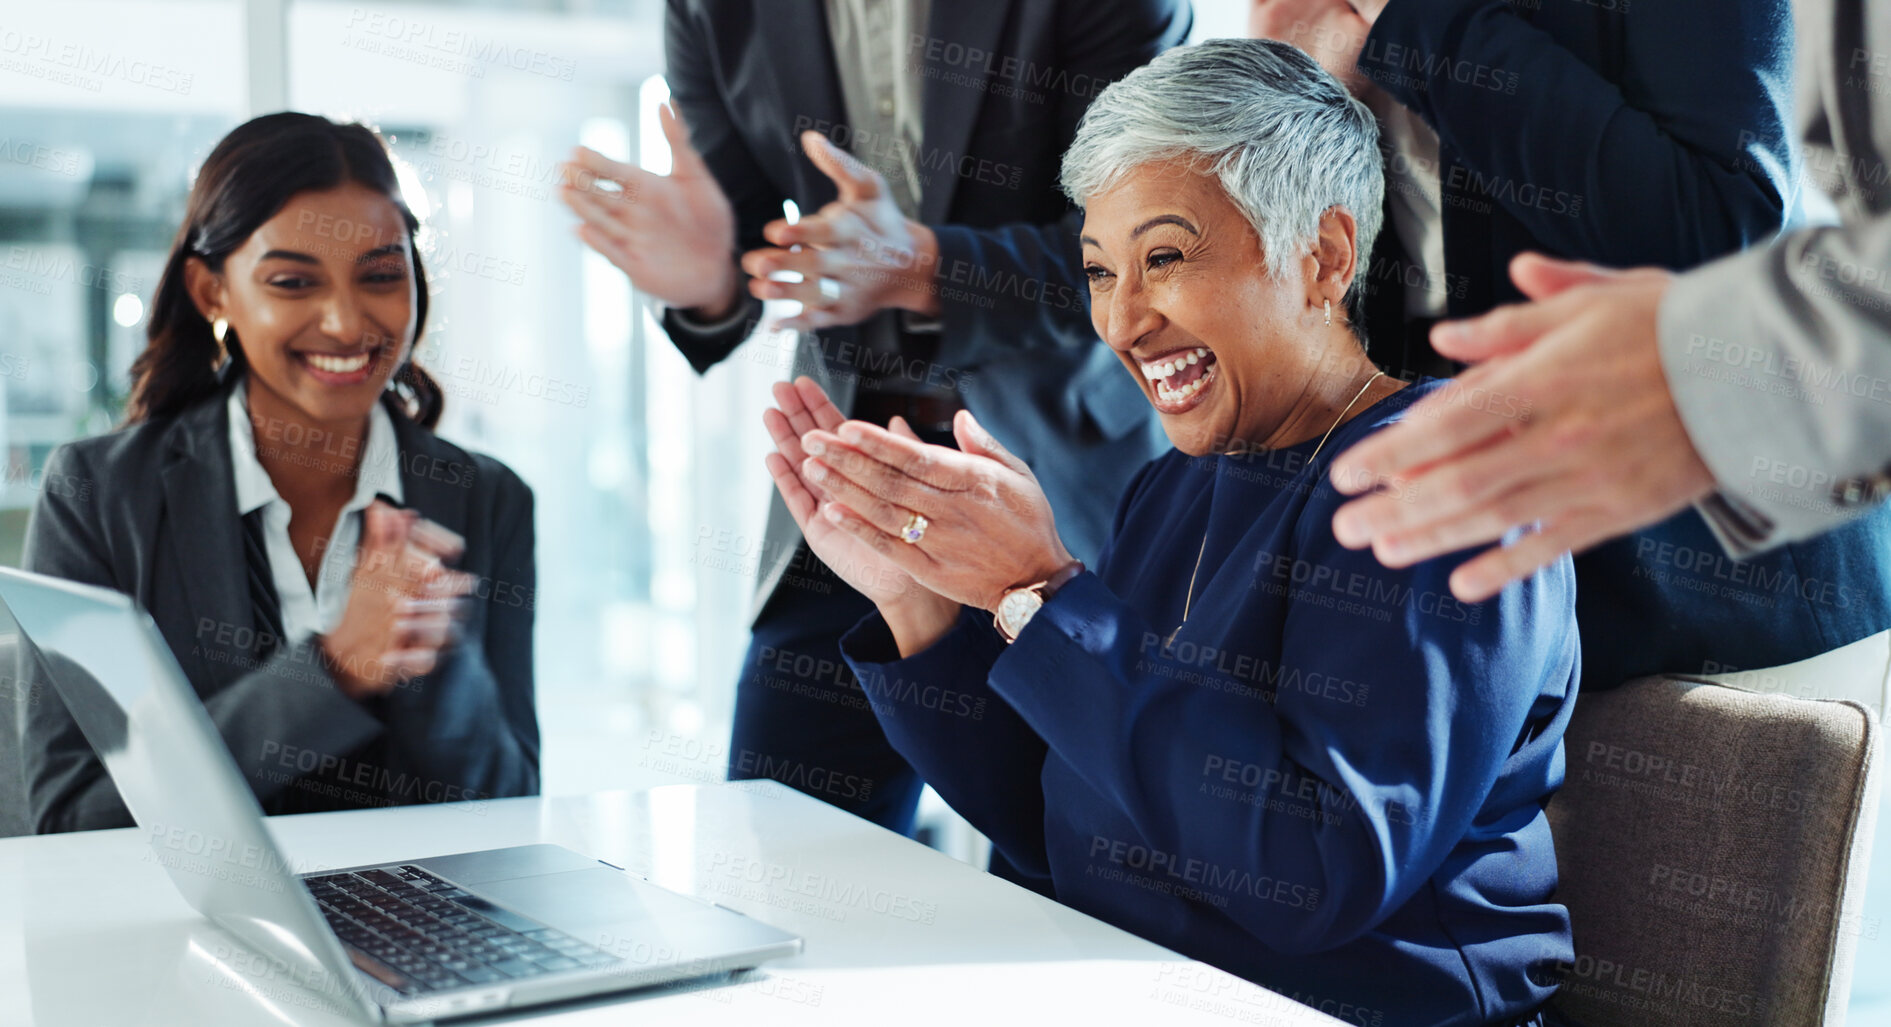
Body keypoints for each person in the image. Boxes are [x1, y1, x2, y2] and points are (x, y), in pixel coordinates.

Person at [765, 41, 1580, 1027]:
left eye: (1163, 259)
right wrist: (922, 602)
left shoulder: (1446, 476)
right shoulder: (1173, 486)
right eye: (1100, 272)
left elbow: (1317, 872)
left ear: (1322, 257)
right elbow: (1064, 818)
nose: (1121, 320)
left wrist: (1044, 590)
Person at [556, 0, 1188, 833]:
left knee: (1089, 855)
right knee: (782, 853)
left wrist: (922, 268)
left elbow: (1147, 248)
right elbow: (750, 244)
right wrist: (710, 277)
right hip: (852, 489)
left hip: (1058, 489)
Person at [1252, 0, 1891, 690]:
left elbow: (1717, 222)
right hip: (1470, 595)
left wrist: (1413, 22)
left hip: (1717, 584)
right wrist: (1290, 96)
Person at [19, 114, 539, 833]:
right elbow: (75, 822)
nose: (346, 323)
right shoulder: (100, 495)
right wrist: (331, 671)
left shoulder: (487, 499)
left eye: (381, 275)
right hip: (190, 934)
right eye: (294, 281)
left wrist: (444, 673)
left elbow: (508, 812)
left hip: (412, 932)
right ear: (212, 292)